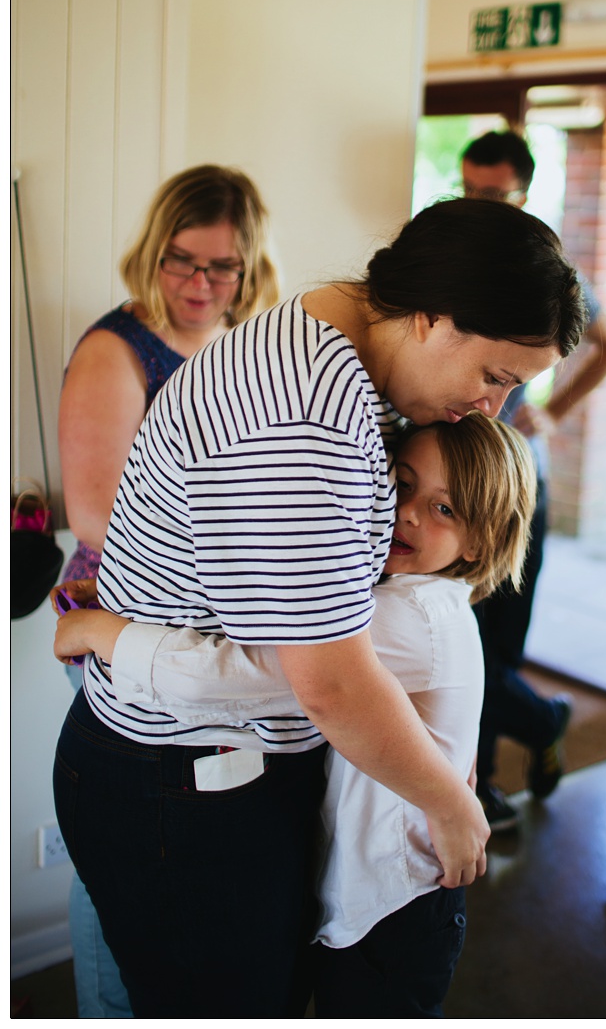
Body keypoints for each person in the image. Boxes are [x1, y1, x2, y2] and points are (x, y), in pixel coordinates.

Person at [52, 196, 588, 1016]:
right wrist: (453, 801)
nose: (496, 409)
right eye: (495, 375)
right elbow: (327, 682)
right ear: (433, 317)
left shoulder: (326, 342)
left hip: (211, 766)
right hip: (184, 776)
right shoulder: (309, 411)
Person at [55, 413, 535, 1017]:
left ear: (482, 541)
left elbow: (240, 673)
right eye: (403, 484)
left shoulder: (411, 617)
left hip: (394, 909)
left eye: (445, 509)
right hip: (374, 897)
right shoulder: (402, 597)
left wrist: (106, 632)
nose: (409, 513)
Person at [55, 163, 278, 1019]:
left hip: (203, 630)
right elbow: (99, 516)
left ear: (248, 267)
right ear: (154, 253)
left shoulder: (242, 345)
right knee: (115, 847)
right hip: (115, 625)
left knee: (177, 844)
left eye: (221, 267)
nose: (199, 284)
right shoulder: (118, 351)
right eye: (181, 261)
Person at [459, 131, 606, 831]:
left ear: (523, 193)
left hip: (520, 484)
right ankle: (536, 724)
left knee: (493, 649)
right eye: (471, 190)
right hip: (453, 480)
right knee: (452, 643)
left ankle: (487, 784)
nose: (481, 203)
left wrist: (550, 413)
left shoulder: (542, 267)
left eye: (494, 194)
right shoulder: (451, 256)